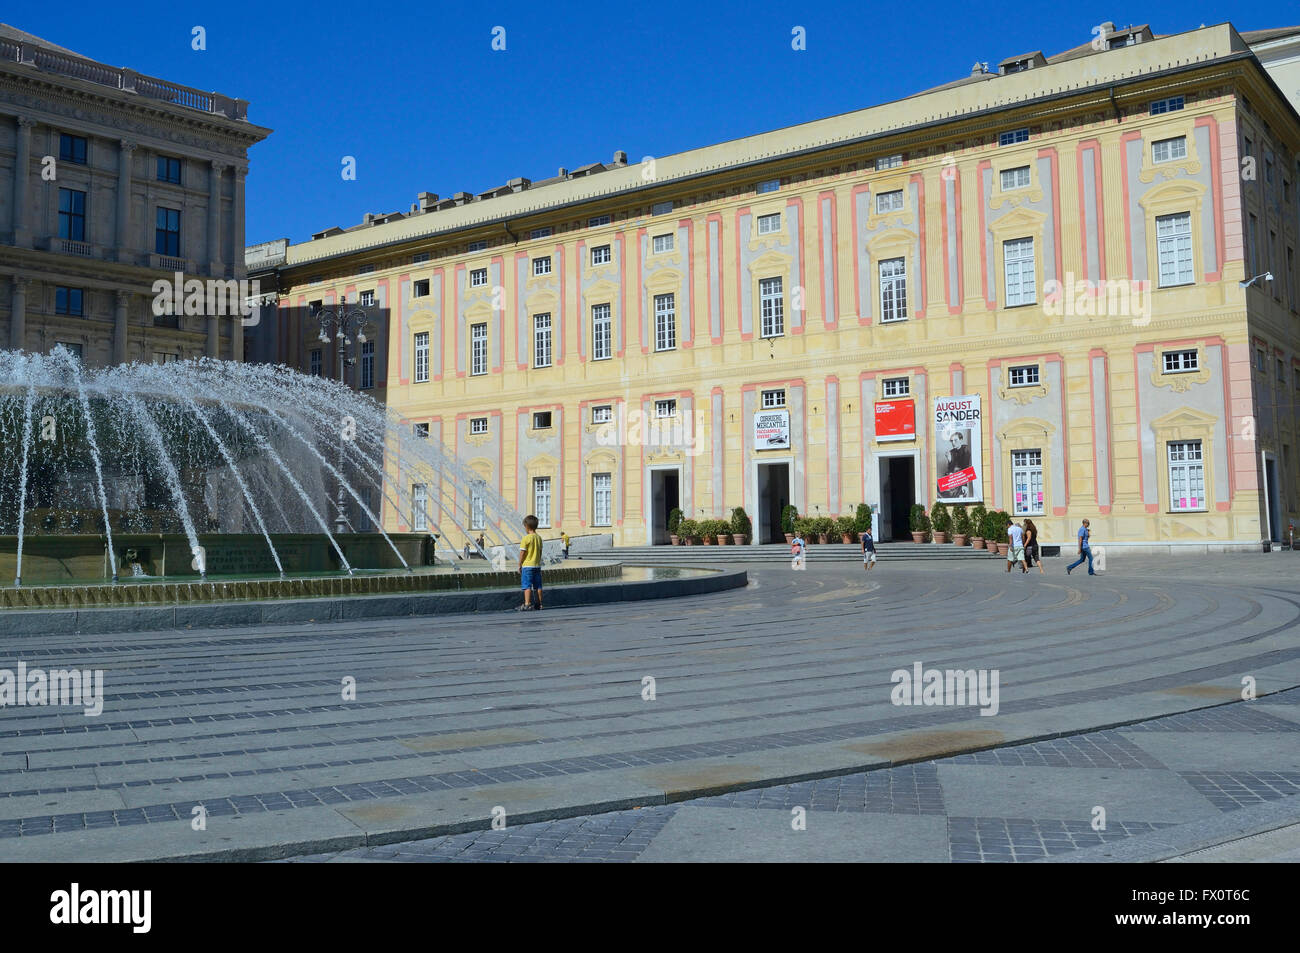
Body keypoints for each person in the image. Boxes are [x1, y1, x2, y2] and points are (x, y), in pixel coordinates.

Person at [516, 514, 544, 610]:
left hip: (527, 566)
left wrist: (519, 564)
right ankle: (539, 604)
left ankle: (527, 604)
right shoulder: (539, 538)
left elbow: (522, 553)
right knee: (538, 586)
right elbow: (540, 552)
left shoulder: (526, 538)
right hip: (537, 566)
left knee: (527, 585)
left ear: (527, 526)